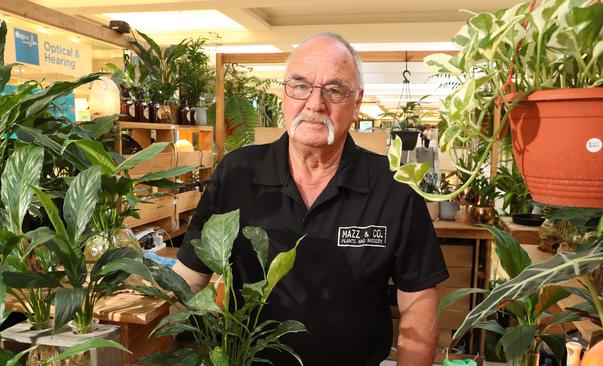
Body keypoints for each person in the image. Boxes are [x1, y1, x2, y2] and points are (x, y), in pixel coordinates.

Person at [173, 32, 449, 366]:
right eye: (300, 86)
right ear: (284, 94)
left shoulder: (394, 187)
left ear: (357, 102)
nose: (315, 104)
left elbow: (418, 299)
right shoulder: (236, 173)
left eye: (334, 90)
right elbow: (189, 279)